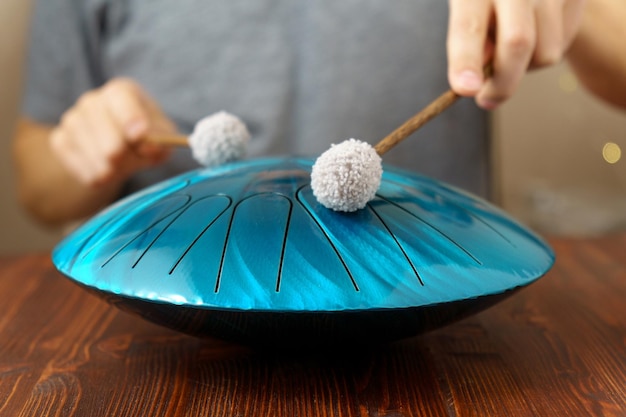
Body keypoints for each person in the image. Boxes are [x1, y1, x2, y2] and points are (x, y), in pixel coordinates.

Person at [12, 0, 626, 228]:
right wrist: (85, 153)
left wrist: (582, 14)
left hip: (431, 316)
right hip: (169, 323)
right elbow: (38, 188)